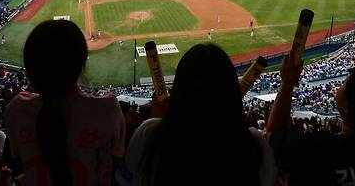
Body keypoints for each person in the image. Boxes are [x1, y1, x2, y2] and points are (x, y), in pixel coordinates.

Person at [116, 44, 276, 186]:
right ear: (232, 92)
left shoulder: (148, 135)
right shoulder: (256, 146)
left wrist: (161, 123)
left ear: (179, 91)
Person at [4, 20, 125, 186]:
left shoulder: (16, 110)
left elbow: (19, 160)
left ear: (30, 70)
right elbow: (118, 159)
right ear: (81, 65)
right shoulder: (107, 109)